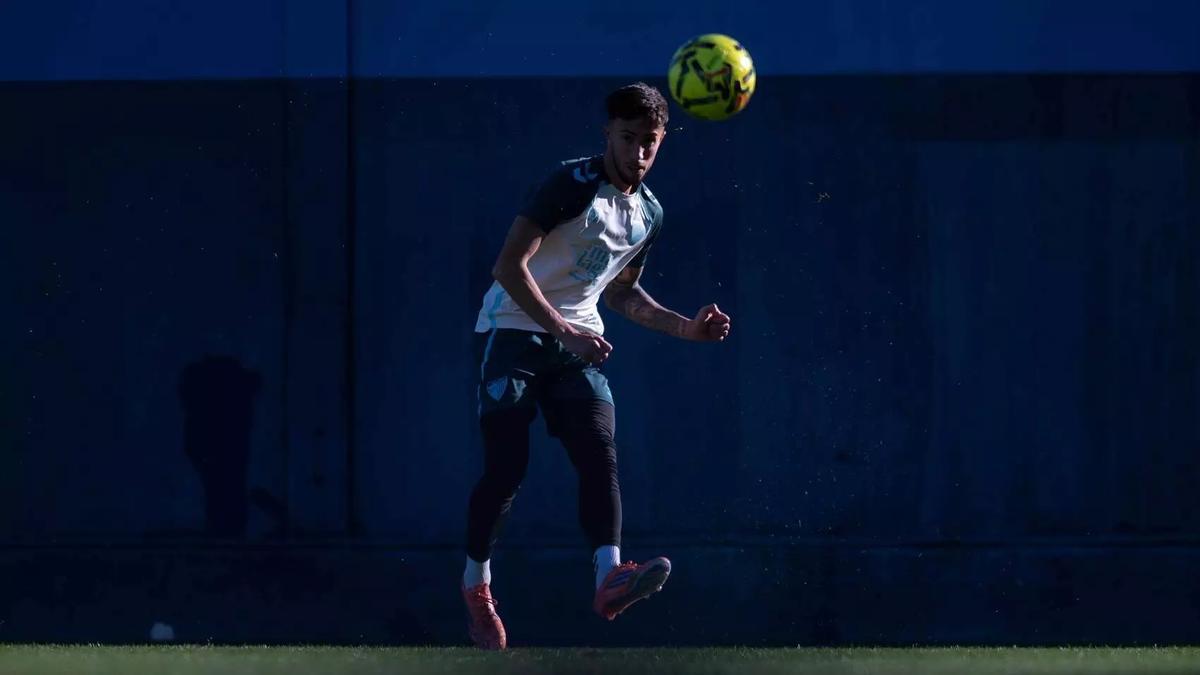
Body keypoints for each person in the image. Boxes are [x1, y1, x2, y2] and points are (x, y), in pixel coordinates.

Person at [461, 82, 732, 650]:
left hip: (575, 348)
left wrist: (687, 327)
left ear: (661, 144)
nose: (637, 153)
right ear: (607, 132)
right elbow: (510, 266)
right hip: (512, 332)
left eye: (650, 143)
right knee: (506, 470)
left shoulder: (648, 214)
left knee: (599, 451)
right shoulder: (570, 184)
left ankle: (609, 576)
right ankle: (477, 585)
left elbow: (623, 295)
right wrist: (564, 330)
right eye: (628, 138)